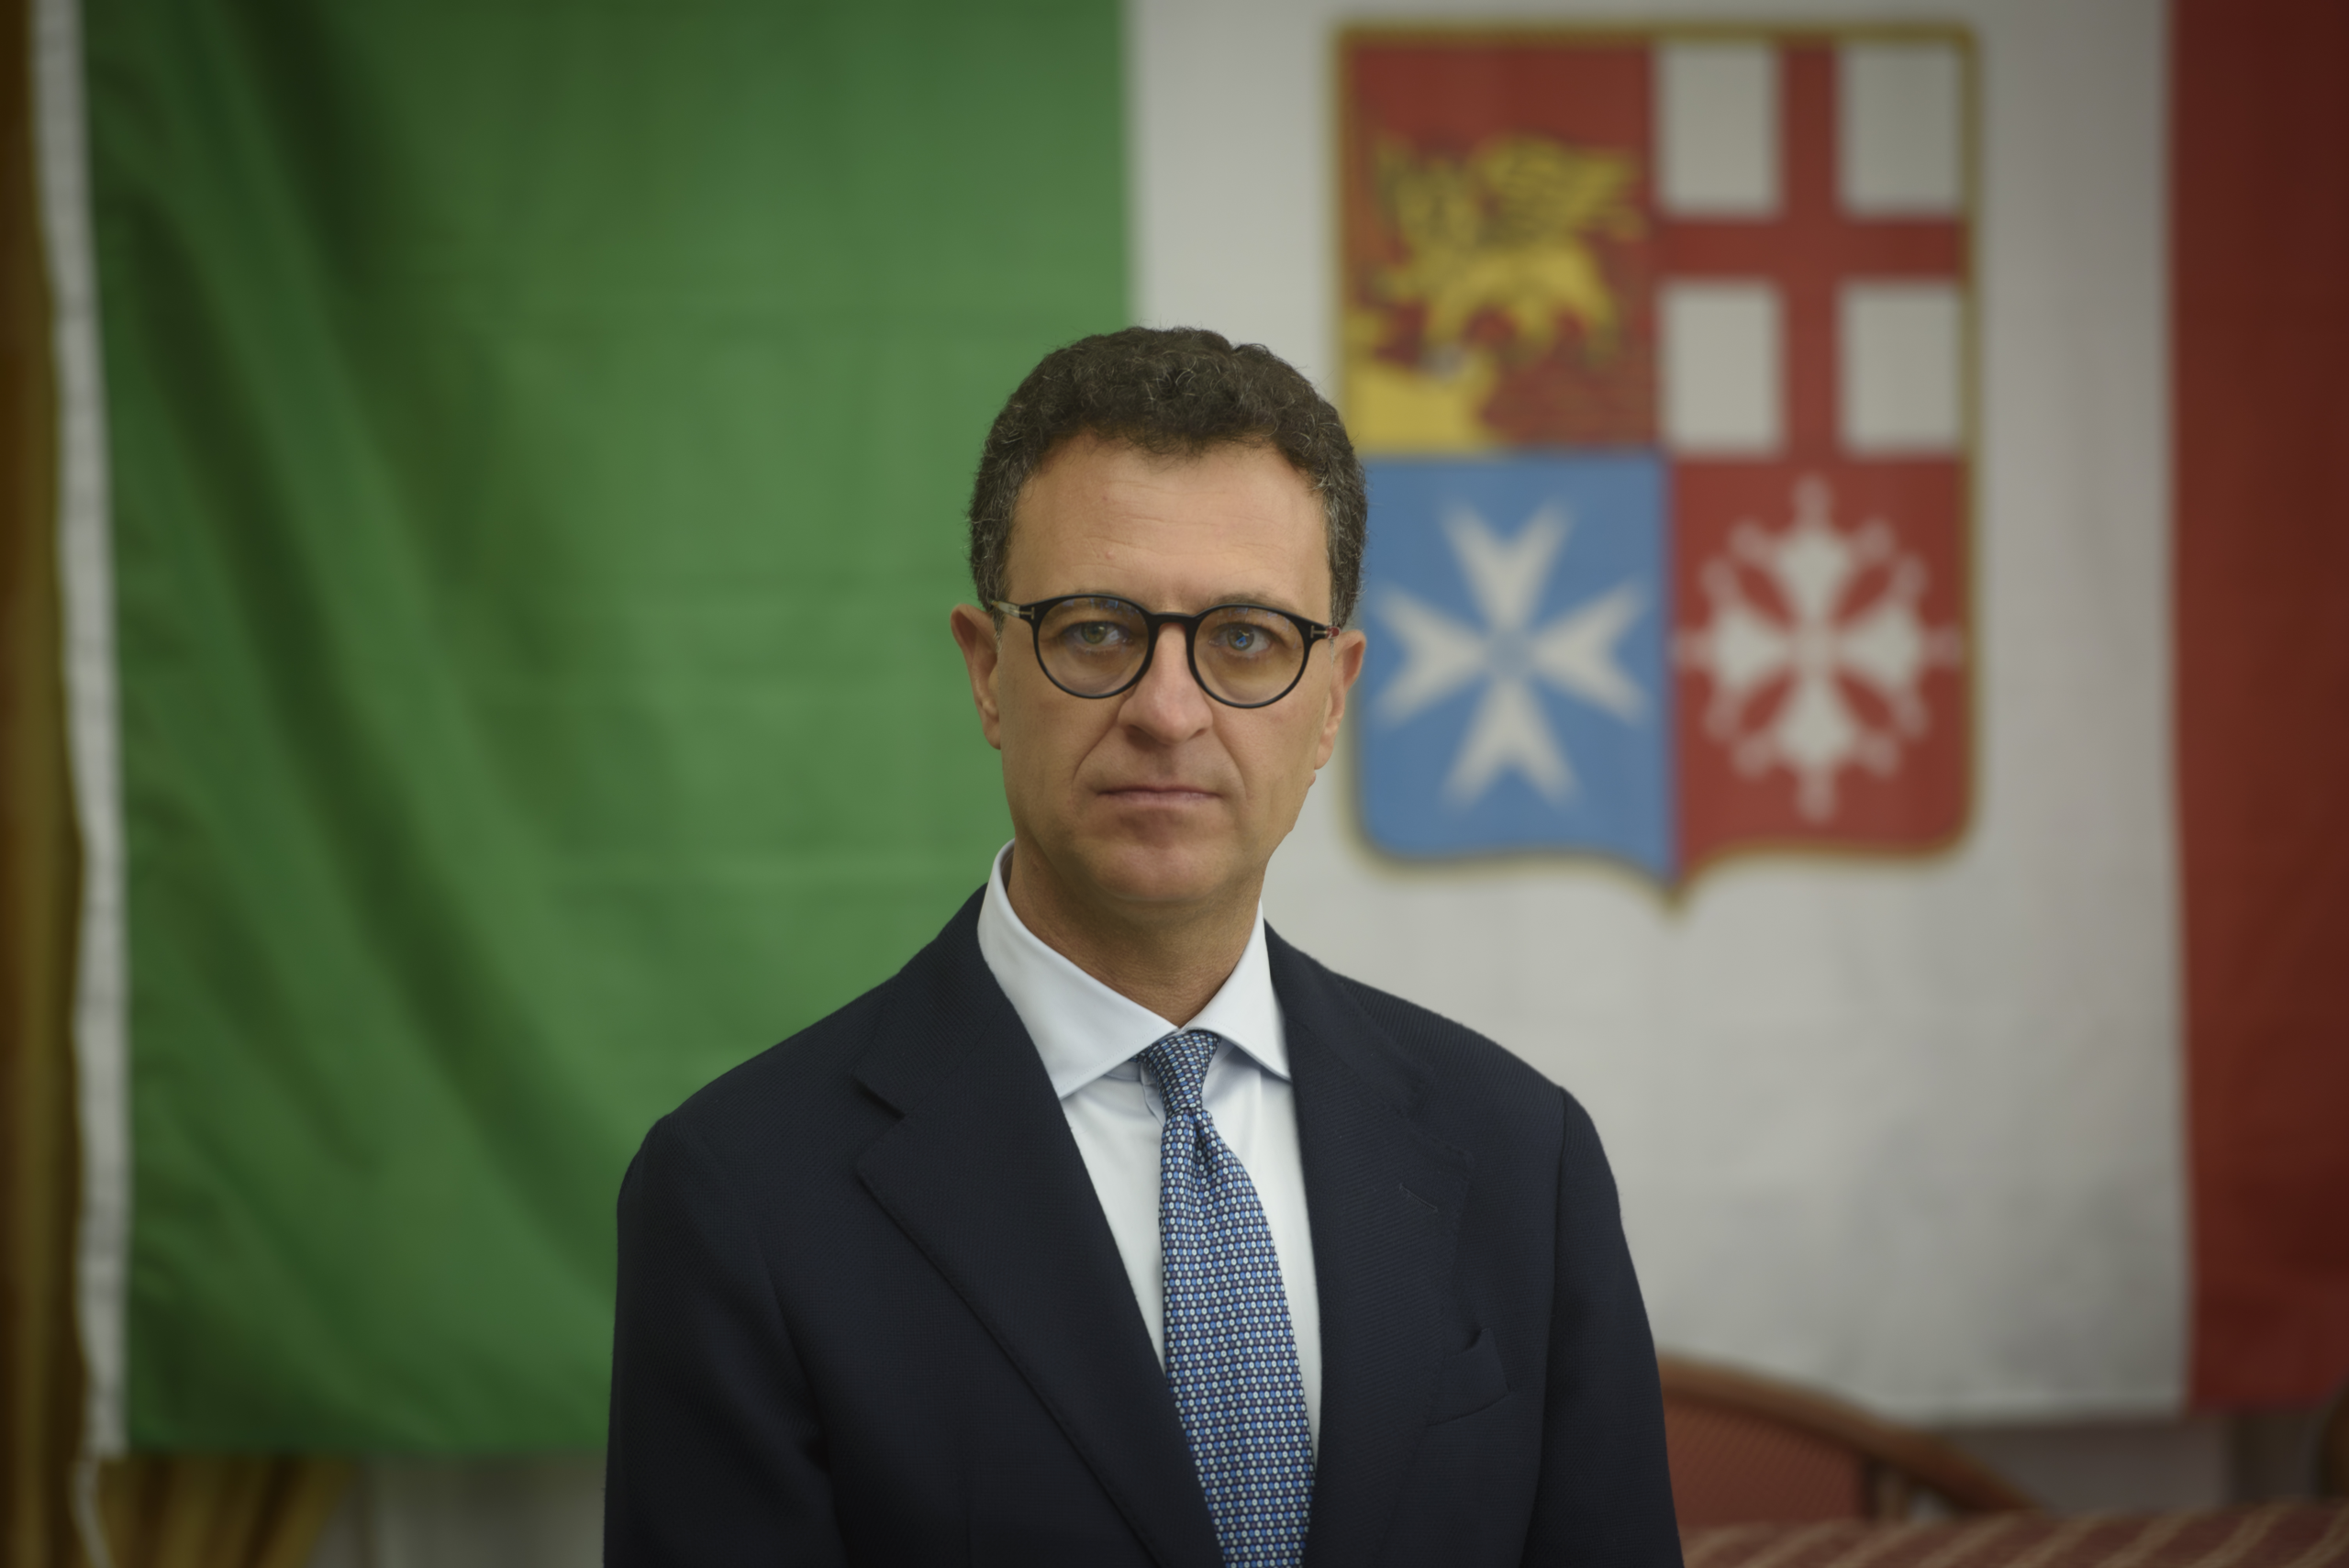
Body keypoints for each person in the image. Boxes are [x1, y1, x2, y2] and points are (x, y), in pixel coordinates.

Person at [604, 328, 1681, 1567]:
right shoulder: (739, 1196)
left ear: (1333, 699)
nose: (1168, 711)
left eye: (1245, 639)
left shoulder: (1525, 1158)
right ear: (988, 674)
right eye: (1098, 631)